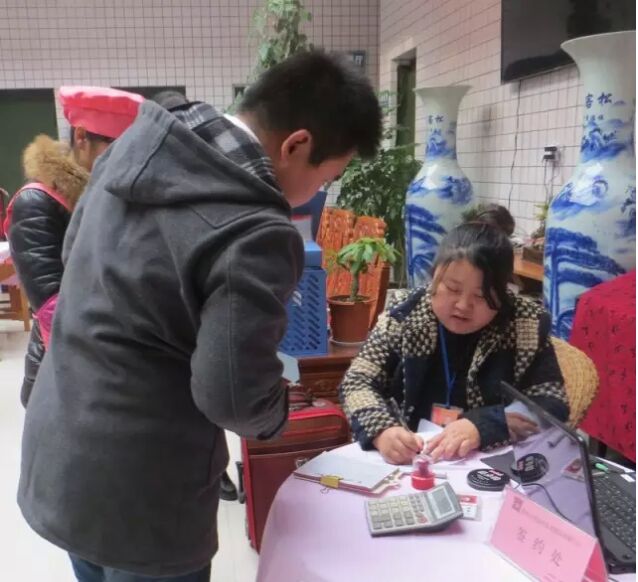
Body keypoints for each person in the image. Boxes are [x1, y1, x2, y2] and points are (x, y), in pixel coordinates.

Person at [18, 50, 382, 582]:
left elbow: (73, 260)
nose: (319, 192)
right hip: (145, 493)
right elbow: (231, 395)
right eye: (328, 176)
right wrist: (280, 408)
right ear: (296, 145)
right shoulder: (255, 231)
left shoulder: (136, 145)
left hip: (60, 449)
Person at [339, 222, 569, 465]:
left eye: (481, 295)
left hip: (493, 464)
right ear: (434, 278)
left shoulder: (525, 324)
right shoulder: (404, 316)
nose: (463, 305)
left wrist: (485, 425)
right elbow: (357, 381)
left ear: (502, 294)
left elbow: (551, 402)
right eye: (452, 288)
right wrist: (381, 430)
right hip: (413, 458)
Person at [5, 86, 143, 406]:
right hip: (66, 373)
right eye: (115, 148)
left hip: (115, 365)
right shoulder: (36, 203)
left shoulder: (112, 194)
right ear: (81, 137)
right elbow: (52, 308)